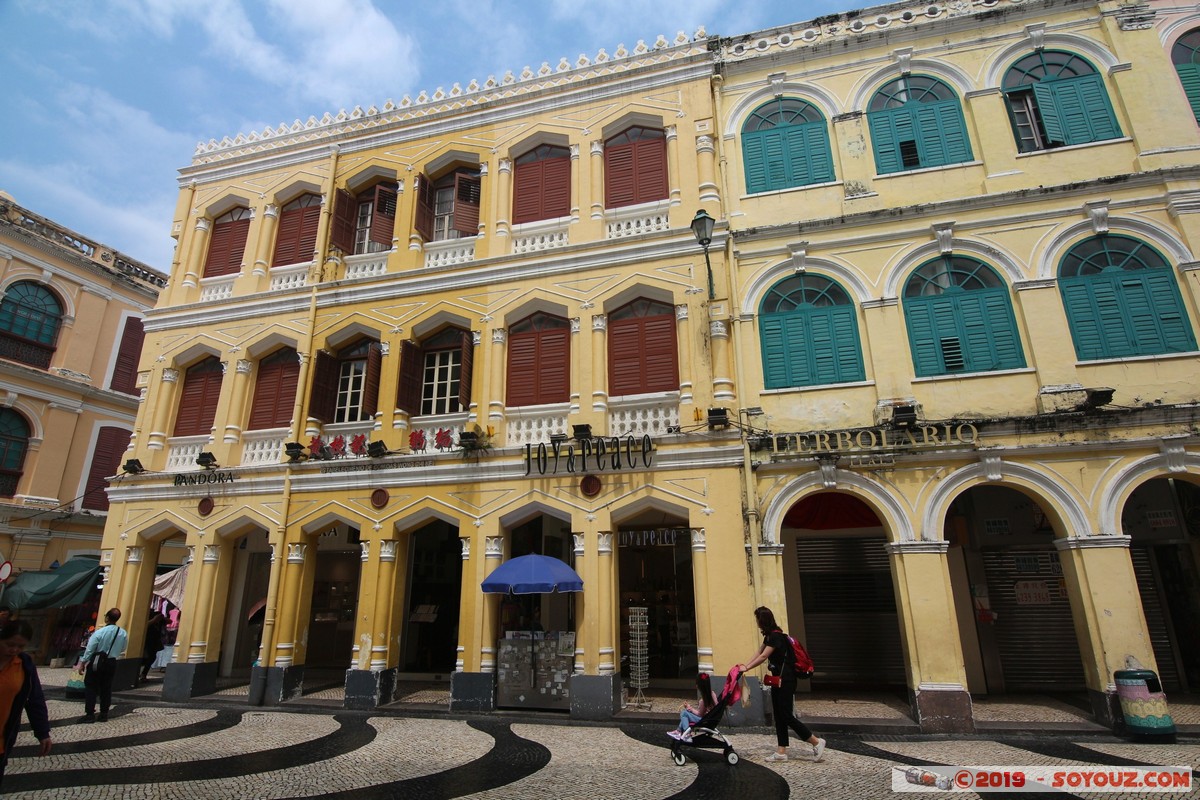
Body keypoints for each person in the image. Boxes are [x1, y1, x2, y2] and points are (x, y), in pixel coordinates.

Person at [738, 606, 826, 763]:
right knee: (779, 715)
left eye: (757, 619)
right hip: (778, 681)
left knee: (786, 715)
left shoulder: (776, 637)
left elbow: (764, 656)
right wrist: (745, 666)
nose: (756, 622)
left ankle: (816, 742)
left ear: (762, 620)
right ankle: (781, 751)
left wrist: (747, 667)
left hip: (786, 680)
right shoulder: (770, 636)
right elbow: (759, 652)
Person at [0, 619, 52, 787]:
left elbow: (34, 699)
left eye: (21, 646)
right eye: (10, 644)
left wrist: (43, 732)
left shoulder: (24, 665)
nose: (14, 650)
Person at [76, 607, 128, 723]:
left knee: (91, 686)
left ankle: (90, 713)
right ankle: (104, 713)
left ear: (107, 618)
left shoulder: (100, 632)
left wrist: (83, 663)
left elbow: (90, 649)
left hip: (97, 660)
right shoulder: (123, 633)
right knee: (106, 687)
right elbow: (123, 648)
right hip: (111, 661)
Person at [670, 671, 717, 738]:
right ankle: (679, 731)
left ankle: (686, 733)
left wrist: (690, 709)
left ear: (699, 686)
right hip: (711, 719)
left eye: (697, 683)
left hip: (705, 721)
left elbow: (700, 714)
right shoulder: (713, 694)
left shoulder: (703, 700)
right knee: (685, 713)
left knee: (684, 713)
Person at [140, 612, 166, 682]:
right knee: (145, 659)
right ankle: (142, 675)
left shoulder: (159, 623)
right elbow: (144, 625)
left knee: (151, 658)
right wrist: (154, 620)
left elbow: (170, 621)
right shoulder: (150, 623)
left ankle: (143, 675)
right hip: (146, 644)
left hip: (153, 645)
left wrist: (161, 618)